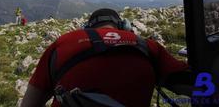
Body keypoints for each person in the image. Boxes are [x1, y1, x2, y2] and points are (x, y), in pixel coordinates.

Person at [22, 8, 196, 107]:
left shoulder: (64, 42)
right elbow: (194, 84)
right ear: (123, 26)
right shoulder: (148, 46)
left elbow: (30, 103)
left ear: (87, 27)